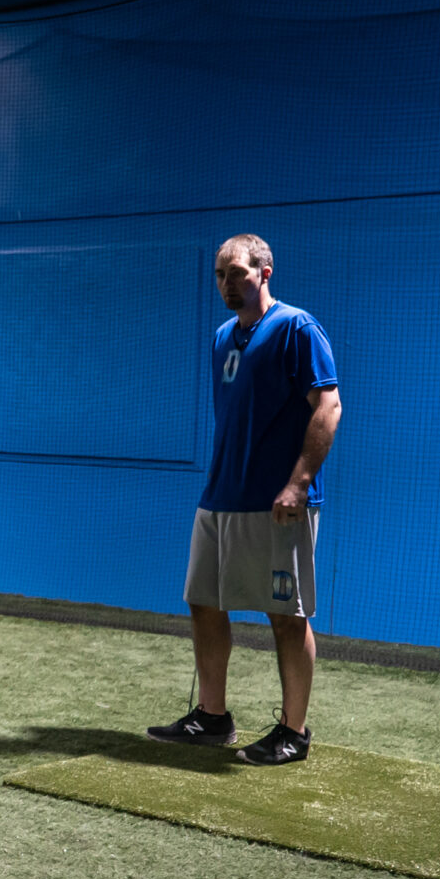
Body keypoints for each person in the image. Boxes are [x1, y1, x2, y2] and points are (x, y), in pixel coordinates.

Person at [147, 235, 342, 765]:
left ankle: (293, 732)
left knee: (286, 615)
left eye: (235, 272)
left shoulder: (297, 328)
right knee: (203, 601)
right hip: (221, 497)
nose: (226, 284)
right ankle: (213, 717)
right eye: (219, 275)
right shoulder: (220, 338)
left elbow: (329, 406)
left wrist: (298, 483)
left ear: (265, 271)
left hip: (278, 502)